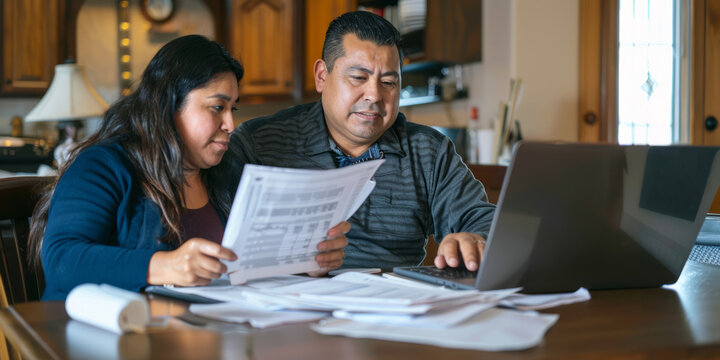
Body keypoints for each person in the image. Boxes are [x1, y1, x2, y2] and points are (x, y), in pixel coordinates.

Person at [27, 35, 349, 300]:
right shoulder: (104, 165)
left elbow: (246, 266)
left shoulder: (228, 173)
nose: (230, 124)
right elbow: (61, 260)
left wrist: (306, 262)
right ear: (168, 105)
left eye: (232, 109)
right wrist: (165, 265)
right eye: (216, 107)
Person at [225, 12, 495, 271]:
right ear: (322, 76)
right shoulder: (258, 143)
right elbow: (213, 232)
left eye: (388, 82)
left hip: (394, 306)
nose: (375, 95)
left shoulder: (429, 152)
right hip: (287, 304)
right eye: (358, 78)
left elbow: (484, 220)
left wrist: (475, 238)